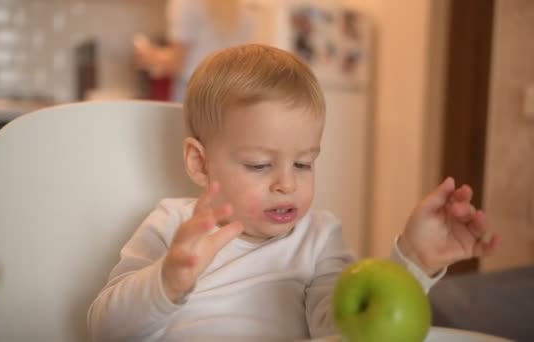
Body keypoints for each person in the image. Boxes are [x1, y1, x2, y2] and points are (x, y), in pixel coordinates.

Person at [88, 44, 498, 341]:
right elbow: (104, 329)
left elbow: (340, 330)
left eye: (304, 163)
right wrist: (167, 281)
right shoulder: (172, 226)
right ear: (199, 162)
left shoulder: (318, 237)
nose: (288, 183)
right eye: (260, 165)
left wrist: (414, 260)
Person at [133, 0, 255, 102]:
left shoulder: (186, 3)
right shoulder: (241, 6)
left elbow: (176, 63)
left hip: (193, 91)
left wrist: (149, 54)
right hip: (228, 92)